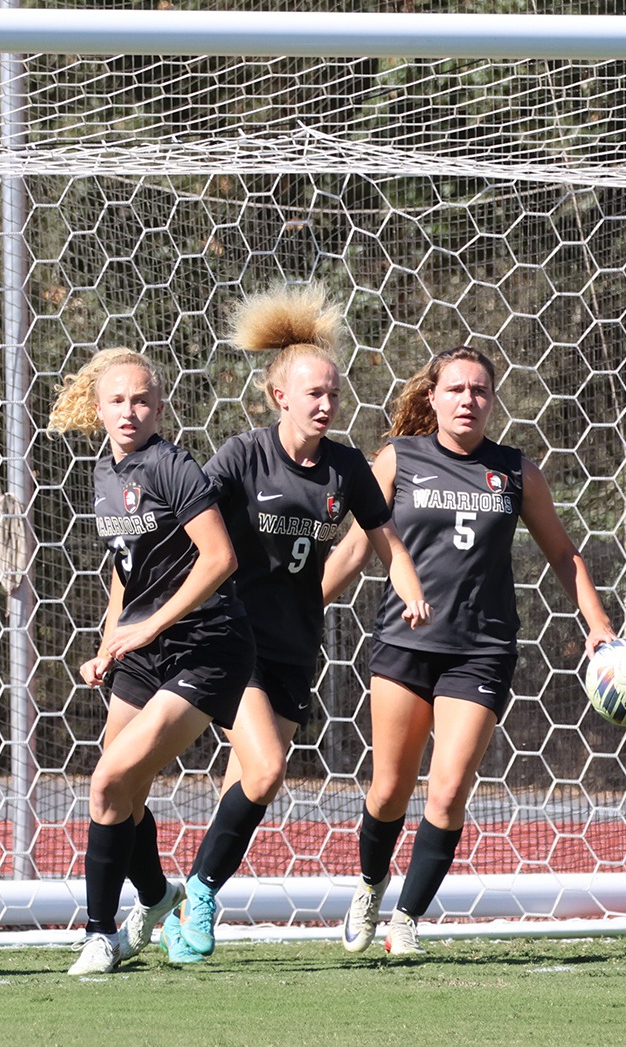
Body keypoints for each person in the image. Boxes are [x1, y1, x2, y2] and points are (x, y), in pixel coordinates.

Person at [159, 286, 432, 962]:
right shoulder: (241, 458)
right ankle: (196, 893)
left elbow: (386, 543)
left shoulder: (345, 469)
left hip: (293, 647)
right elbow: (187, 529)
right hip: (233, 639)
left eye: (333, 393)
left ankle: (174, 908)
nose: (325, 403)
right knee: (270, 767)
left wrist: (412, 589)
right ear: (277, 395)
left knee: (248, 782)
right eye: (312, 392)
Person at [332, 345, 617, 956]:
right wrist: (296, 611)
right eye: (456, 389)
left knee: (449, 790)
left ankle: (406, 919)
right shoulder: (397, 459)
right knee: (387, 790)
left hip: (480, 651)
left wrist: (597, 624)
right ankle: (369, 884)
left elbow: (563, 554)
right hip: (404, 643)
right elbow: (356, 550)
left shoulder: (517, 471)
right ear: (431, 398)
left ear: (493, 400)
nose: (468, 400)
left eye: (480, 390)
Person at [48, 347, 249, 975]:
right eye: (117, 400)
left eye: (141, 399)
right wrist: (111, 640)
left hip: (204, 646)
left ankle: (100, 934)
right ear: (97, 407)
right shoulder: (104, 474)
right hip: (142, 647)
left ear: (160, 405)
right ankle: (161, 895)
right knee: (122, 792)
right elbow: (123, 568)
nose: (130, 411)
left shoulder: (172, 467)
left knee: (107, 782)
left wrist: (151, 625)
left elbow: (220, 560)